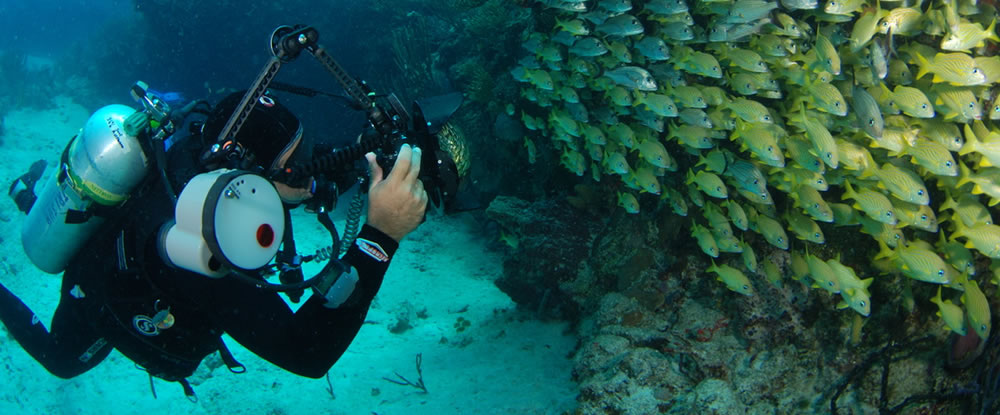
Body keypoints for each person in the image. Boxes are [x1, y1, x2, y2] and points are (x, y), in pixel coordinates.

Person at [0, 90, 428, 396]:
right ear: (247, 174)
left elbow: (304, 172)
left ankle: (27, 195)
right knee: (63, 359)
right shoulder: (202, 247)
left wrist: (368, 150)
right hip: (100, 285)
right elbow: (306, 352)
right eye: (293, 163)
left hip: (137, 236)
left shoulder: (207, 157)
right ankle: (33, 210)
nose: (307, 169)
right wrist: (380, 236)